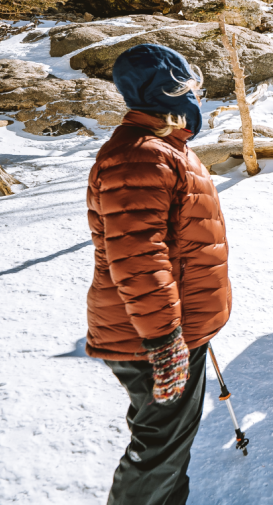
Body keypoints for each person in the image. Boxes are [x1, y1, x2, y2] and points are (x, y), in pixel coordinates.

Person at [86, 43, 232, 505]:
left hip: (170, 328)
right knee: (158, 454)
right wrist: (165, 337)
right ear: (169, 93)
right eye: (192, 87)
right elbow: (137, 254)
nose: (198, 99)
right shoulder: (142, 156)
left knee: (167, 448)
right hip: (155, 336)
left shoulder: (158, 149)